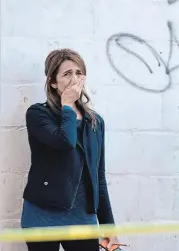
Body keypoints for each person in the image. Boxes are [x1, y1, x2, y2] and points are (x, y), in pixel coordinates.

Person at [21, 49, 121, 251]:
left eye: (78, 72)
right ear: (53, 82)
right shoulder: (38, 114)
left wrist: (109, 227)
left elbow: (98, 178)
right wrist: (67, 104)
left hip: (82, 219)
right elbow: (65, 142)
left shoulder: (95, 122)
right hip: (43, 217)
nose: (74, 79)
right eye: (66, 74)